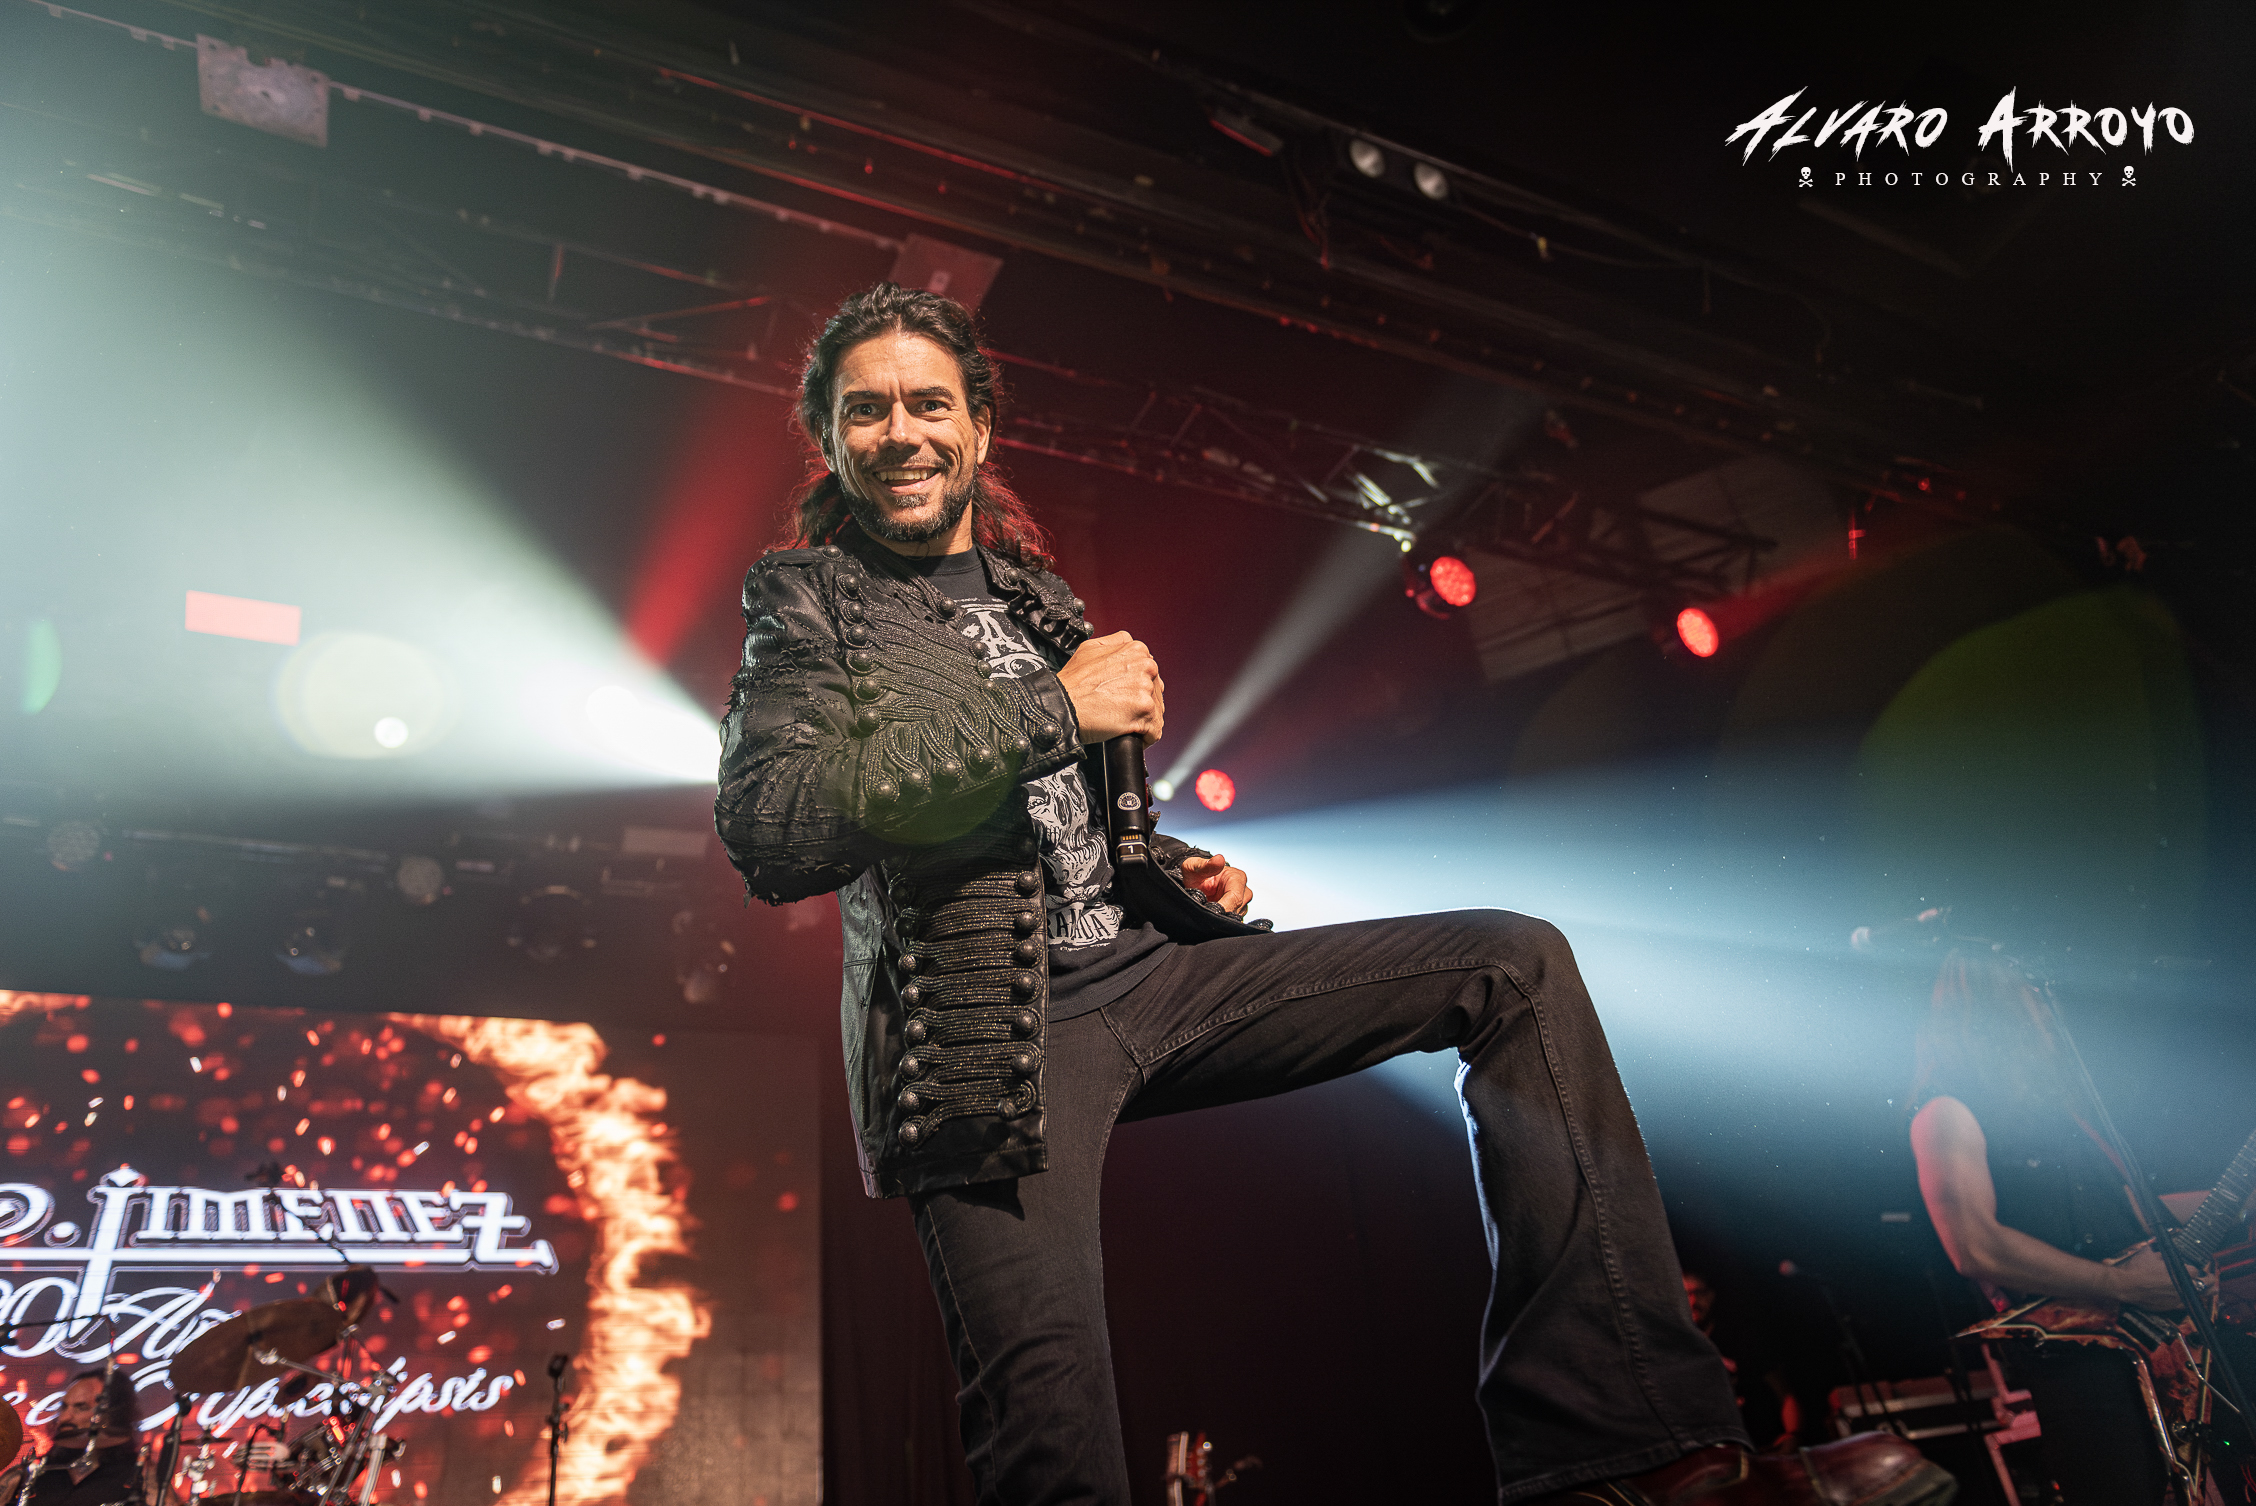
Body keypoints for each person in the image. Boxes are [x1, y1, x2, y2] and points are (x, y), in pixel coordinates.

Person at [715, 282, 1947, 1505]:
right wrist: (1054, 708)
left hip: (1145, 977)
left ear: (980, 429)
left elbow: (1062, 828)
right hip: (988, 1044)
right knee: (1054, 1444)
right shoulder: (809, 602)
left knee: (1513, 966)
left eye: (929, 404)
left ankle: (1628, 1457)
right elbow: (776, 826)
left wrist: (1172, 874)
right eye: (867, 409)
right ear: (830, 437)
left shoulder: (1037, 597)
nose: (902, 432)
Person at [1908, 949, 2232, 1503]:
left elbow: (2130, 1211)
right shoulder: (1946, 1112)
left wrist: (2238, 1198)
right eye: (2033, 996)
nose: (2047, 1011)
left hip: (2150, 1351)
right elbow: (1974, 1246)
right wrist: (2123, 1285)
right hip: (2077, 1359)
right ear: (1996, 1010)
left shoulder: (2060, 1115)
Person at [0, 1371, 142, 1506]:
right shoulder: (32, 1474)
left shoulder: (139, 1477)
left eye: (81, 1407)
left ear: (113, 1415)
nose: (64, 1417)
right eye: (64, 1407)